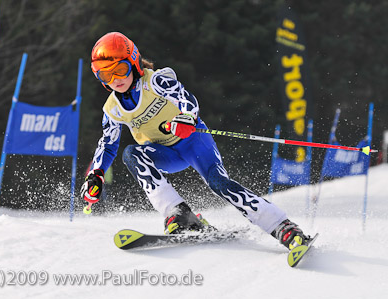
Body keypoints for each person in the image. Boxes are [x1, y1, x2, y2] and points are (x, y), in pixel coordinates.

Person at [80, 32, 310, 250]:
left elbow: (186, 99)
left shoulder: (156, 82)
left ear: (133, 62)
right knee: (131, 154)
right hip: (165, 153)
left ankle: (284, 227)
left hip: (193, 142)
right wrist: (96, 175)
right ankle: (178, 213)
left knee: (220, 185)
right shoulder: (112, 109)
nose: (115, 79)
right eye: (105, 74)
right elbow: (107, 143)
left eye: (119, 69)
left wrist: (187, 118)